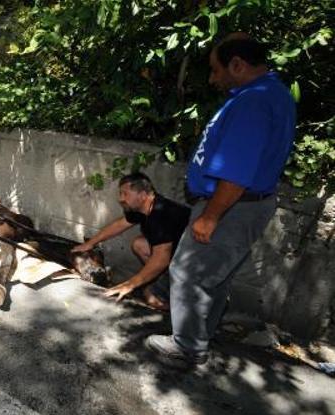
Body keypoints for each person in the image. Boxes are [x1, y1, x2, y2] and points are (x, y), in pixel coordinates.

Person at [145, 34, 297, 369]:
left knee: (187, 271)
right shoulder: (271, 94)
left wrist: (210, 215)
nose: (213, 79)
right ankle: (201, 335)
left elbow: (236, 170)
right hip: (243, 204)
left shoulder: (254, 101)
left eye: (216, 70)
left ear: (237, 65)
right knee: (214, 275)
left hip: (230, 205)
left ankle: (185, 348)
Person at [72, 172, 190, 309]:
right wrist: (89, 243)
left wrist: (129, 285)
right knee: (139, 244)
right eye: (120, 193)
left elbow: (161, 259)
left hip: (194, 262)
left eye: (125, 194)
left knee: (152, 299)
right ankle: (167, 283)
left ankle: (183, 306)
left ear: (143, 195)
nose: (120, 199)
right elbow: (119, 225)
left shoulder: (161, 214)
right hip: (176, 256)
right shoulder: (143, 207)